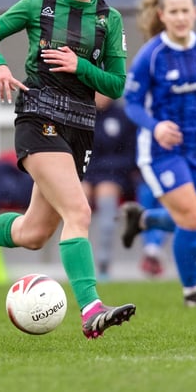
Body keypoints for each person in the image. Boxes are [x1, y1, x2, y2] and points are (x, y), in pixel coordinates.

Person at [0, 0, 136, 339]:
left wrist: (79, 67)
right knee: (80, 213)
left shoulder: (110, 20)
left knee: (34, 233)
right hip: (38, 120)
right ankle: (91, 309)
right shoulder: (37, 5)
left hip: (80, 129)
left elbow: (117, 85)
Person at [121, 0, 196, 307]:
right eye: (174, 11)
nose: (181, 17)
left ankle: (144, 220)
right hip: (161, 152)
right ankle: (192, 293)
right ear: (162, 15)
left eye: (186, 10)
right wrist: (155, 127)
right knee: (190, 219)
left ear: (195, 13)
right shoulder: (152, 55)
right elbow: (132, 103)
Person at [81, 93, 138, 280]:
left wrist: (104, 166)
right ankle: (78, 260)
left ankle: (104, 262)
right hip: (87, 173)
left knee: (106, 193)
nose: (100, 95)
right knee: (77, 199)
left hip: (114, 174)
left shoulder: (123, 117)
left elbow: (131, 157)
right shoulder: (81, 115)